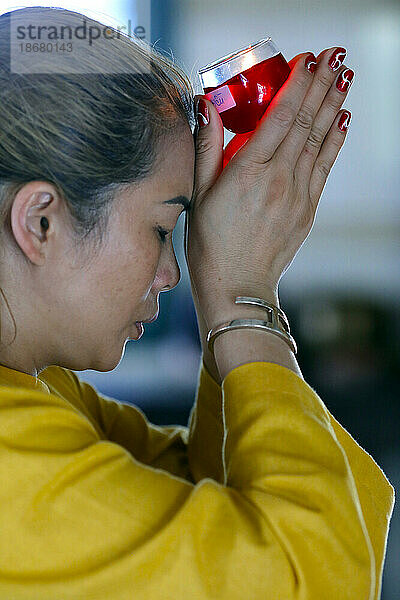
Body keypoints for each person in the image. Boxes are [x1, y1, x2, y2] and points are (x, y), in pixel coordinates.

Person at [0, 6, 394, 600]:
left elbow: (196, 498)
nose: (172, 272)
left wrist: (230, 308)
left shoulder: (46, 394)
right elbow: (303, 578)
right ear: (42, 222)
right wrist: (243, 296)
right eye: (163, 229)